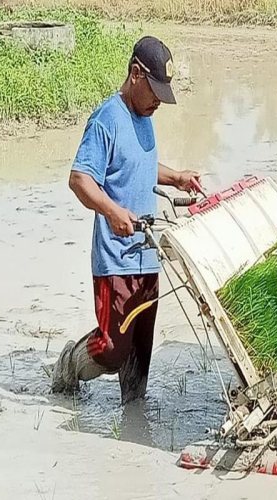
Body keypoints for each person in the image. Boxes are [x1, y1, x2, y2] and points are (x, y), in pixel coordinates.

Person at [51, 35, 200, 403]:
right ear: (135, 73)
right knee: (112, 349)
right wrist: (112, 211)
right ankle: (70, 363)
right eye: (154, 93)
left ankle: (133, 417)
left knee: (139, 351)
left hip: (148, 255)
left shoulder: (144, 116)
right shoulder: (107, 119)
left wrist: (176, 176)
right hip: (115, 258)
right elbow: (80, 179)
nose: (157, 104)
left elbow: (139, 165)